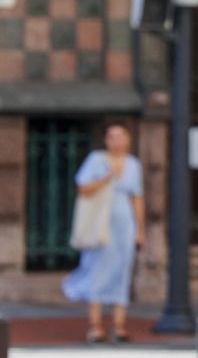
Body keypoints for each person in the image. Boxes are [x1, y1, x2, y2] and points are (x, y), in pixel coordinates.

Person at [63, 121, 147, 343]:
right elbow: (83, 188)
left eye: (122, 136)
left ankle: (119, 326)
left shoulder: (133, 164)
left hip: (124, 225)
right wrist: (105, 178)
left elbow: (137, 198)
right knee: (96, 270)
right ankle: (95, 326)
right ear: (106, 140)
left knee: (122, 270)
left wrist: (140, 229)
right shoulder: (97, 160)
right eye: (113, 136)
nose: (118, 141)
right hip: (100, 224)